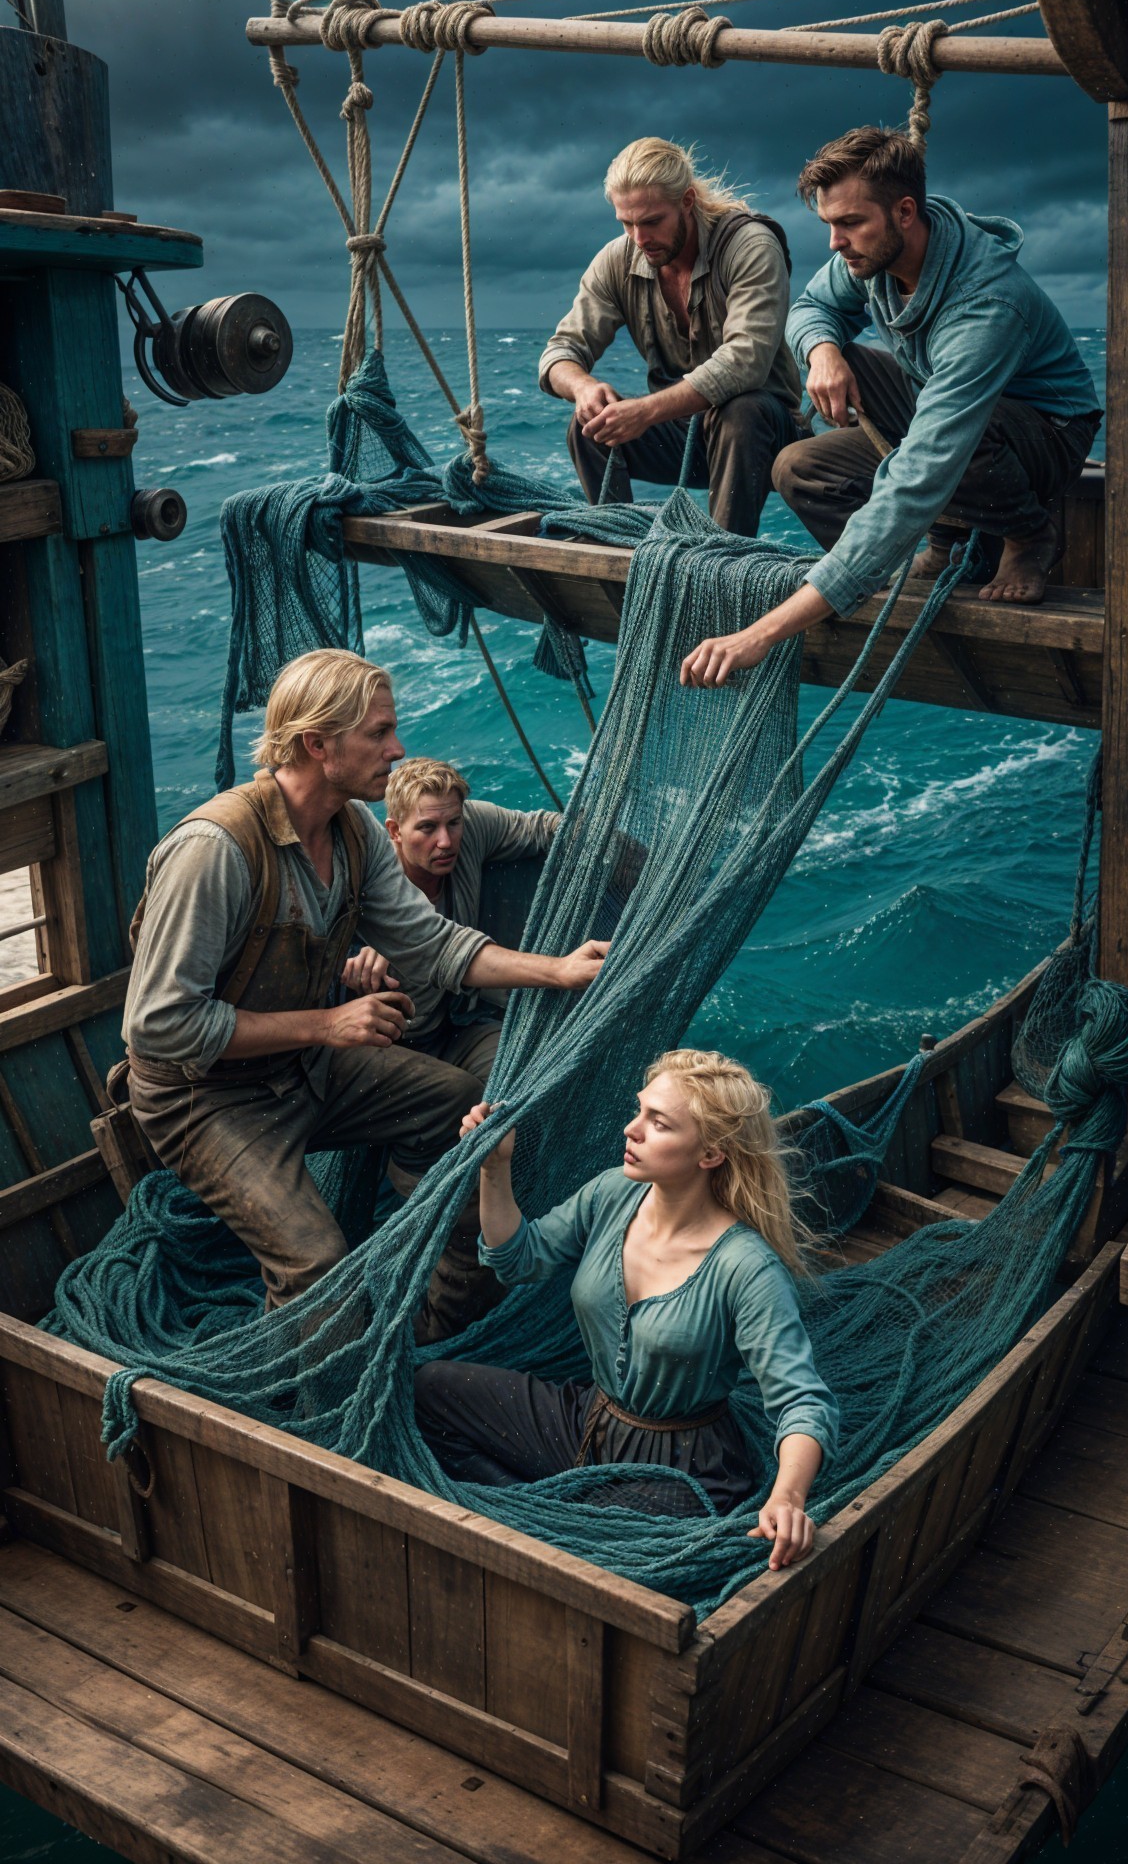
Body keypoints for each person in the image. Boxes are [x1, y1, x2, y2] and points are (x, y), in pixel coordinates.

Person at [121, 649, 606, 1310]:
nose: (397, 748)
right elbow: (158, 1025)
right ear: (317, 744)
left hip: (304, 1068)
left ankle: (438, 1322)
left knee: (459, 1107)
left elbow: (432, 944)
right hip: (205, 1099)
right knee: (316, 1265)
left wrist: (560, 971)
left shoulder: (354, 833)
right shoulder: (214, 850)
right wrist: (326, 1024)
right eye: (378, 733)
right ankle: (308, 1410)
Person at [680, 127, 1102, 689]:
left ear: (905, 212)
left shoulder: (988, 305)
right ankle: (937, 550)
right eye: (829, 224)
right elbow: (810, 307)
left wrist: (765, 632)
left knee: (958, 445)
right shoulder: (872, 257)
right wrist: (825, 352)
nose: (835, 241)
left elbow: (920, 474)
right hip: (938, 399)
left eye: (850, 223)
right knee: (799, 469)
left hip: (1046, 431)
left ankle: (1027, 534)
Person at [414, 1050, 838, 1568]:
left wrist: (788, 1497)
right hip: (586, 1419)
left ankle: (540, 1507)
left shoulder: (746, 1267)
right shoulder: (612, 1192)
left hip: (683, 1471)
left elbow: (802, 1402)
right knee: (429, 1389)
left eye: (657, 1124)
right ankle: (543, 1506)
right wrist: (495, 1168)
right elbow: (518, 1259)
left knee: (603, 1545)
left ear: (710, 1154)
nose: (631, 1130)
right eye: (639, 1111)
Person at [539, 137, 803, 537]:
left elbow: (745, 362)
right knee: (588, 424)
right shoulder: (619, 258)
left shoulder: (750, 245)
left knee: (741, 412)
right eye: (626, 223)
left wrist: (645, 411)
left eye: (650, 221)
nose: (639, 238)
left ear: (687, 201)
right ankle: (618, 550)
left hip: (764, 440)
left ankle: (722, 563)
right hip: (682, 438)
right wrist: (583, 387)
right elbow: (560, 352)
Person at [343, 756, 560, 1091]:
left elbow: (546, 827)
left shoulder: (471, 826)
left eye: (453, 823)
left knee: (533, 1070)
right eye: (427, 828)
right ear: (395, 831)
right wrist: (360, 957)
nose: (445, 841)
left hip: (461, 1023)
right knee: (458, 1095)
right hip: (393, 1048)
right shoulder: (367, 883)